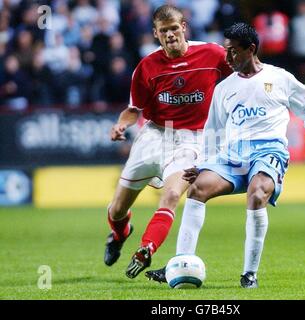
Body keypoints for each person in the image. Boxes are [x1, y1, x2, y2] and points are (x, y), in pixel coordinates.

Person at [145, 22, 305, 288]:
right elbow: (213, 131)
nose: (227, 58)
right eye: (226, 51)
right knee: (197, 189)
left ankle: (249, 273)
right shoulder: (224, 89)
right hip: (233, 155)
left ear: (251, 49)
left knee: (257, 193)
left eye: (233, 52)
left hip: (268, 150)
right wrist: (202, 164)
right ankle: (181, 261)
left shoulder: (279, 78)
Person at [103, 4, 233, 279]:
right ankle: (120, 232)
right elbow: (133, 109)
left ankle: (146, 249)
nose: (171, 35)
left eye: (174, 28)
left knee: (172, 194)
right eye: (164, 31)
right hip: (154, 135)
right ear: (156, 34)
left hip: (193, 139)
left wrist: (286, 87)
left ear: (183, 27)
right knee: (117, 210)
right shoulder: (147, 66)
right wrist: (121, 124)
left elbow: (248, 71)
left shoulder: (212, 54)